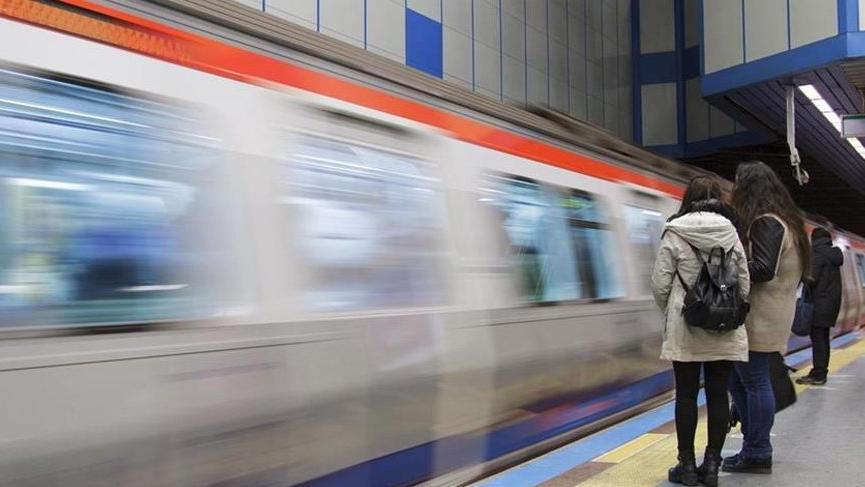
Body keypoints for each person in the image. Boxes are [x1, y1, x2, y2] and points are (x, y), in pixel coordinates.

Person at [651, 176, 750, 487]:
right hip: (723, 327)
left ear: (688, 199)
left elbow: (660, 284)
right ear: (719, 200)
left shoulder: (675, 231)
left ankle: (687, 467)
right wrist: (726, 307)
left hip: (686, 326)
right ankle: (711, 466)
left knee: (686, 395)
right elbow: (745, 284)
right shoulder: (731, 233)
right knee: (719, 394)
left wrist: (676, 309)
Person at [724, 161, 810, 474]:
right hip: (771, 312)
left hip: (761, 316)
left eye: (737, 183)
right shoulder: (786, 221)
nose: (734, 190)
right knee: (741, 380)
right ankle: (753, 447)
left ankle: (758, 451)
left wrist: (727, 269)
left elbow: (762, 268)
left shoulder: (767, 223)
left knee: (754, 382)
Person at [797, 227, 843, 385]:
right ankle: (821, 371)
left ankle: (818, 375)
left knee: (818, 340)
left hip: (818, 304)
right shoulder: (833, 254)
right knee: (823, 339)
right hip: (830, 305)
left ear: (814, 239)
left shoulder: (817, 254)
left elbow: (811, 278)